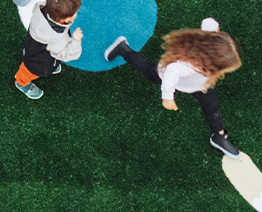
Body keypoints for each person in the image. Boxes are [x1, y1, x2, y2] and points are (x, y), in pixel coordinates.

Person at [104, 20, 243, 156]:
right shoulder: (190, 65)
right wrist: (167, 97)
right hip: (167, 75)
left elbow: (208, 22)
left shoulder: (210, 42)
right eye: (223, 69)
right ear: (213, 62)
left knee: (212, 107)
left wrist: (213, 26)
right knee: (148, 72)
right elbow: (172, 70)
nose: (223, 72)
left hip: (200, 86)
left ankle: (218, 136)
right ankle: (123, 49)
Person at [14, 0, 84, 100]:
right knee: (29, 70)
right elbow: (67, 55)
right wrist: (76, 41)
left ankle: (51, 65)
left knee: (34, 58)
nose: (76, 14)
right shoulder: (56, 39)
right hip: (38, 61)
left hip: (35, 44)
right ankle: (21, 82)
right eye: (75, 13)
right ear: (66, 19)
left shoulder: (44, 8)